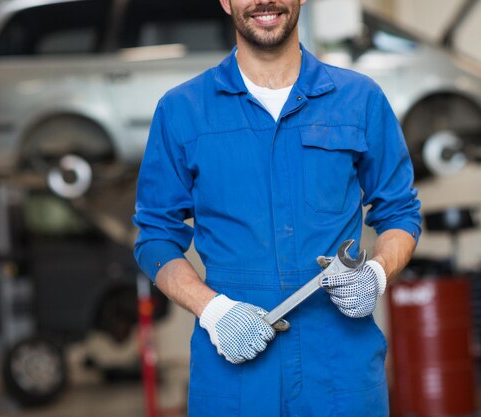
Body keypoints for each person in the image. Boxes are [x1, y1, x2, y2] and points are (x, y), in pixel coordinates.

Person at [133, 1, 421, 416]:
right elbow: (155, 236)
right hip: (233, 378)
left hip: (341, 373)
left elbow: (400, 213)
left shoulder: (360, 100)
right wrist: (211, 309)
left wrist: (377, 274)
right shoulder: (182, 110)